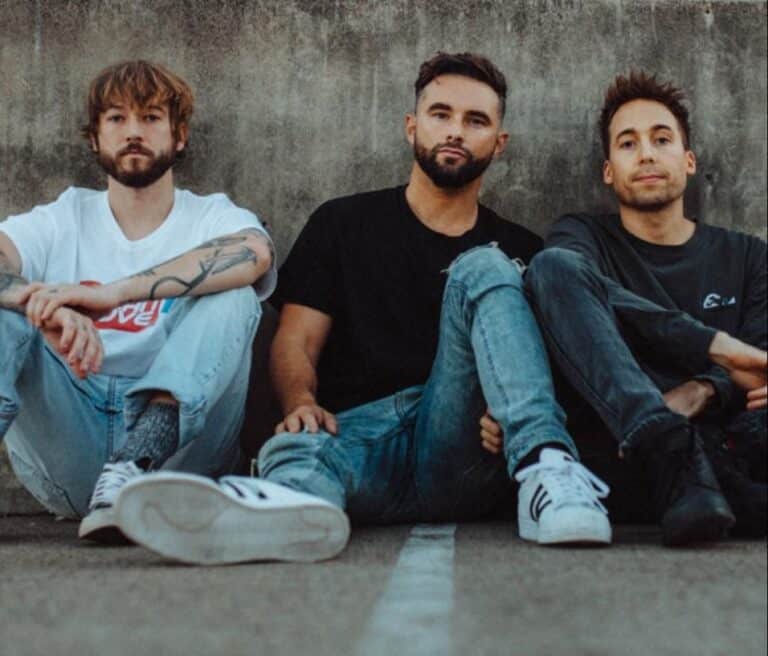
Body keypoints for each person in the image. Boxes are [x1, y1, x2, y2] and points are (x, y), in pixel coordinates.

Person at [111, 52, 617, 565]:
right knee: (293, 450)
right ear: (412, 125)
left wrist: (502, 413)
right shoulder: (342, 223)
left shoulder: (520, 249)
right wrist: (300, 403)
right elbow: (296, 340)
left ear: (499, 142)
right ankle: (280, 515)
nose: (455, 131)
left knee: (485, 266)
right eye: (441, 114)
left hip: (462, 446)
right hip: (358, 438)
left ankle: (544, 463)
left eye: (476, 121)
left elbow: (546, 364)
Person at [0, 60, 276, 542]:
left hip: (179, 462)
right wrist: (38, 303)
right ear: (94, 137)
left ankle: (132, 466)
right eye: (116, 118)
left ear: (179, 135)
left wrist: (114, 292)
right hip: (68, 442)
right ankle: (113, 482)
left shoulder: (211, 216)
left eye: (150, 117)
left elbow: (254, 254)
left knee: (233, 294)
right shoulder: (63, 217)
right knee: (5, 305)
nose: (133, 132)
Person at [515, 72, 766, 546]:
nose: (646, 154)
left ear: (688, 161)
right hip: (623, 449)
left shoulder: (749, 256)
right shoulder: (582, 238)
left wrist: (703, 389)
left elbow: (758, 367)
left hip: (728, 441)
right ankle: (669, 446)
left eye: (661, 139)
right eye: (628, 143)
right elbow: (563, 290)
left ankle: (712, 487)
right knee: (552, 268)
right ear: (609, 171)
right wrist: (713, 347)